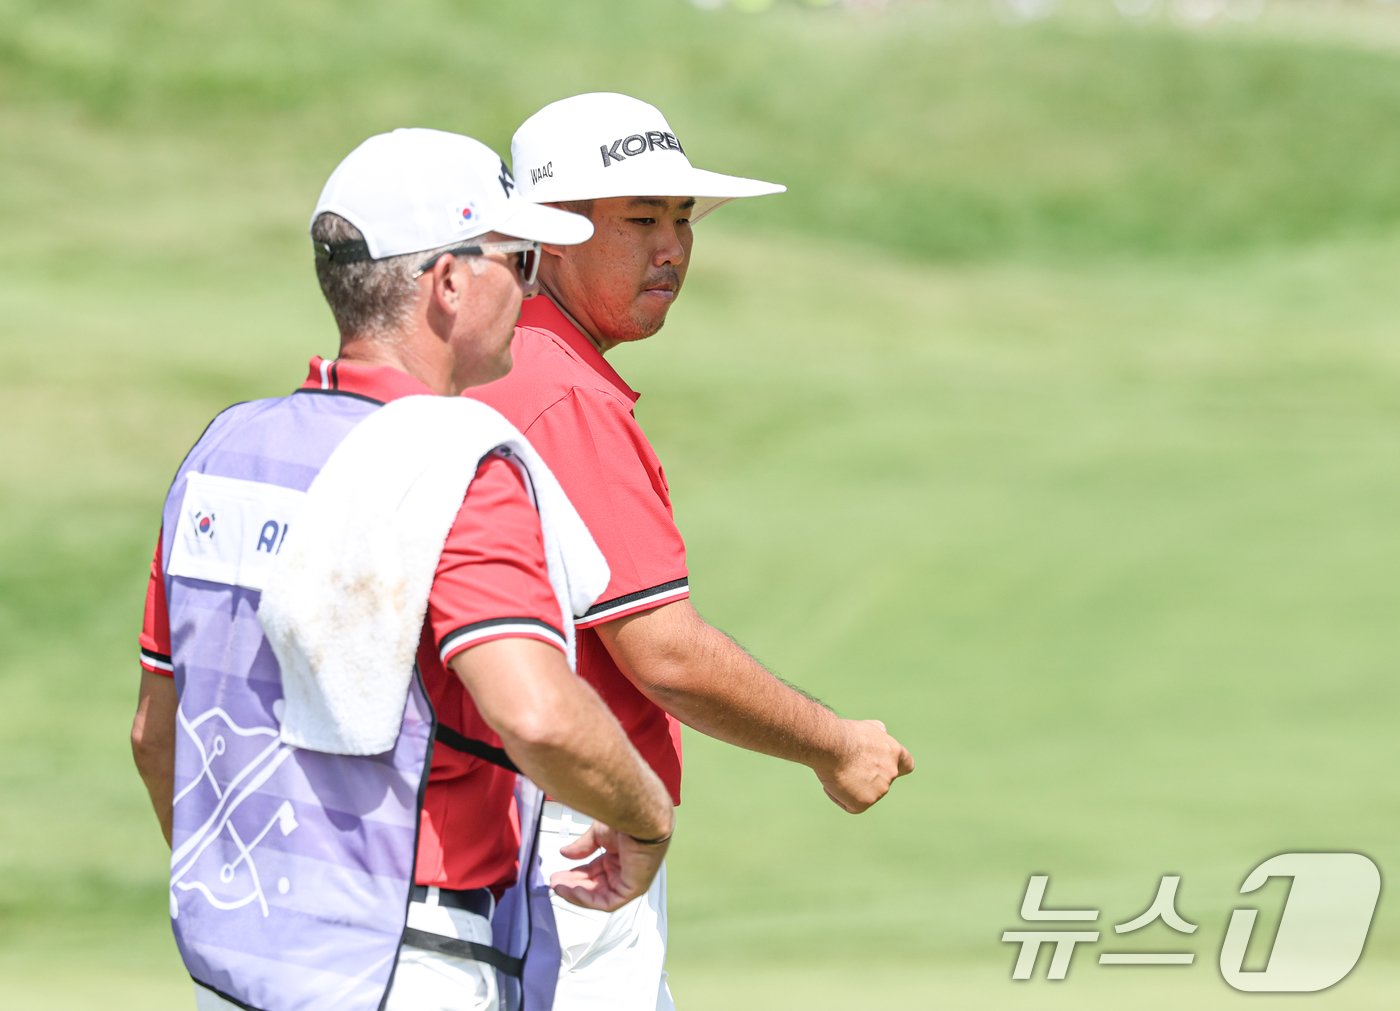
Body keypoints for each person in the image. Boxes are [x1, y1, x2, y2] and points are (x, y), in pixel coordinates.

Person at [130, 127, 674, 1011]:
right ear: (450, 282)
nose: (530, 290)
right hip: (411, 962)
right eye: (521, 261)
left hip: (242, 961)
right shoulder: (454, 462)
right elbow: (538, 712)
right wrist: (646, 817)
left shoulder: (223, 452)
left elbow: (157, 734)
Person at [469, 93, 916, 1011]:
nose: (672, 248)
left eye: (682, 220)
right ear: (550, 234)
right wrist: (835, 744)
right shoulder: (560, 396)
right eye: (640, 220)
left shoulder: (505, 364)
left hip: (506, 832)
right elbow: (662, 652)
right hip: (573, 844)